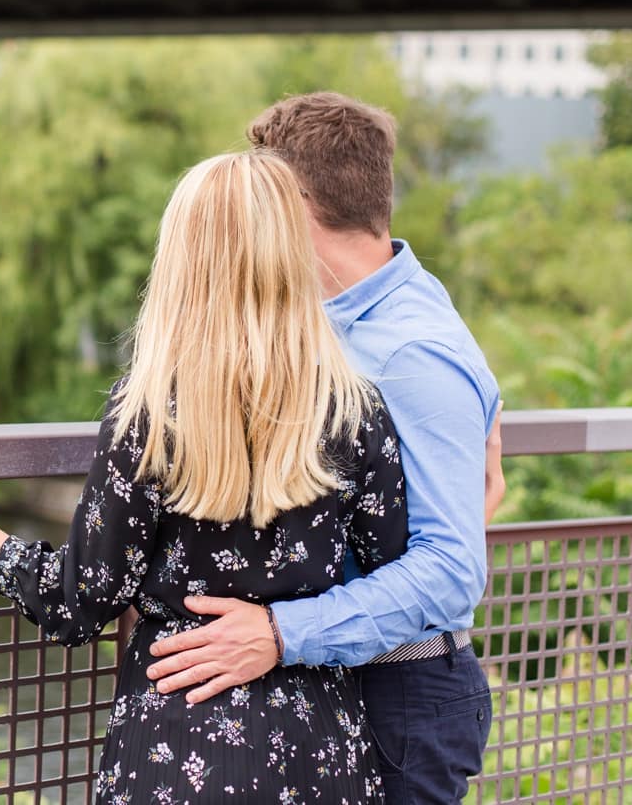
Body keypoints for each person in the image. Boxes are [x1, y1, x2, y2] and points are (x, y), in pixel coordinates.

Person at [0, 151, 411, 803]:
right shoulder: (354, 406)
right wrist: (287, 631)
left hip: (177, 749)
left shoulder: (152, 410)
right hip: (319, 755)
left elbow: (79, 600)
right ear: (289, 252)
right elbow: (393, 577)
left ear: (183, 257)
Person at [144, 94, 502, 804]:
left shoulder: (409, 353)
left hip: (398, 697)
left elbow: (453, 569)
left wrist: (281, 632)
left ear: (296, 203)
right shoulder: (359, 318)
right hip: (341, 689)